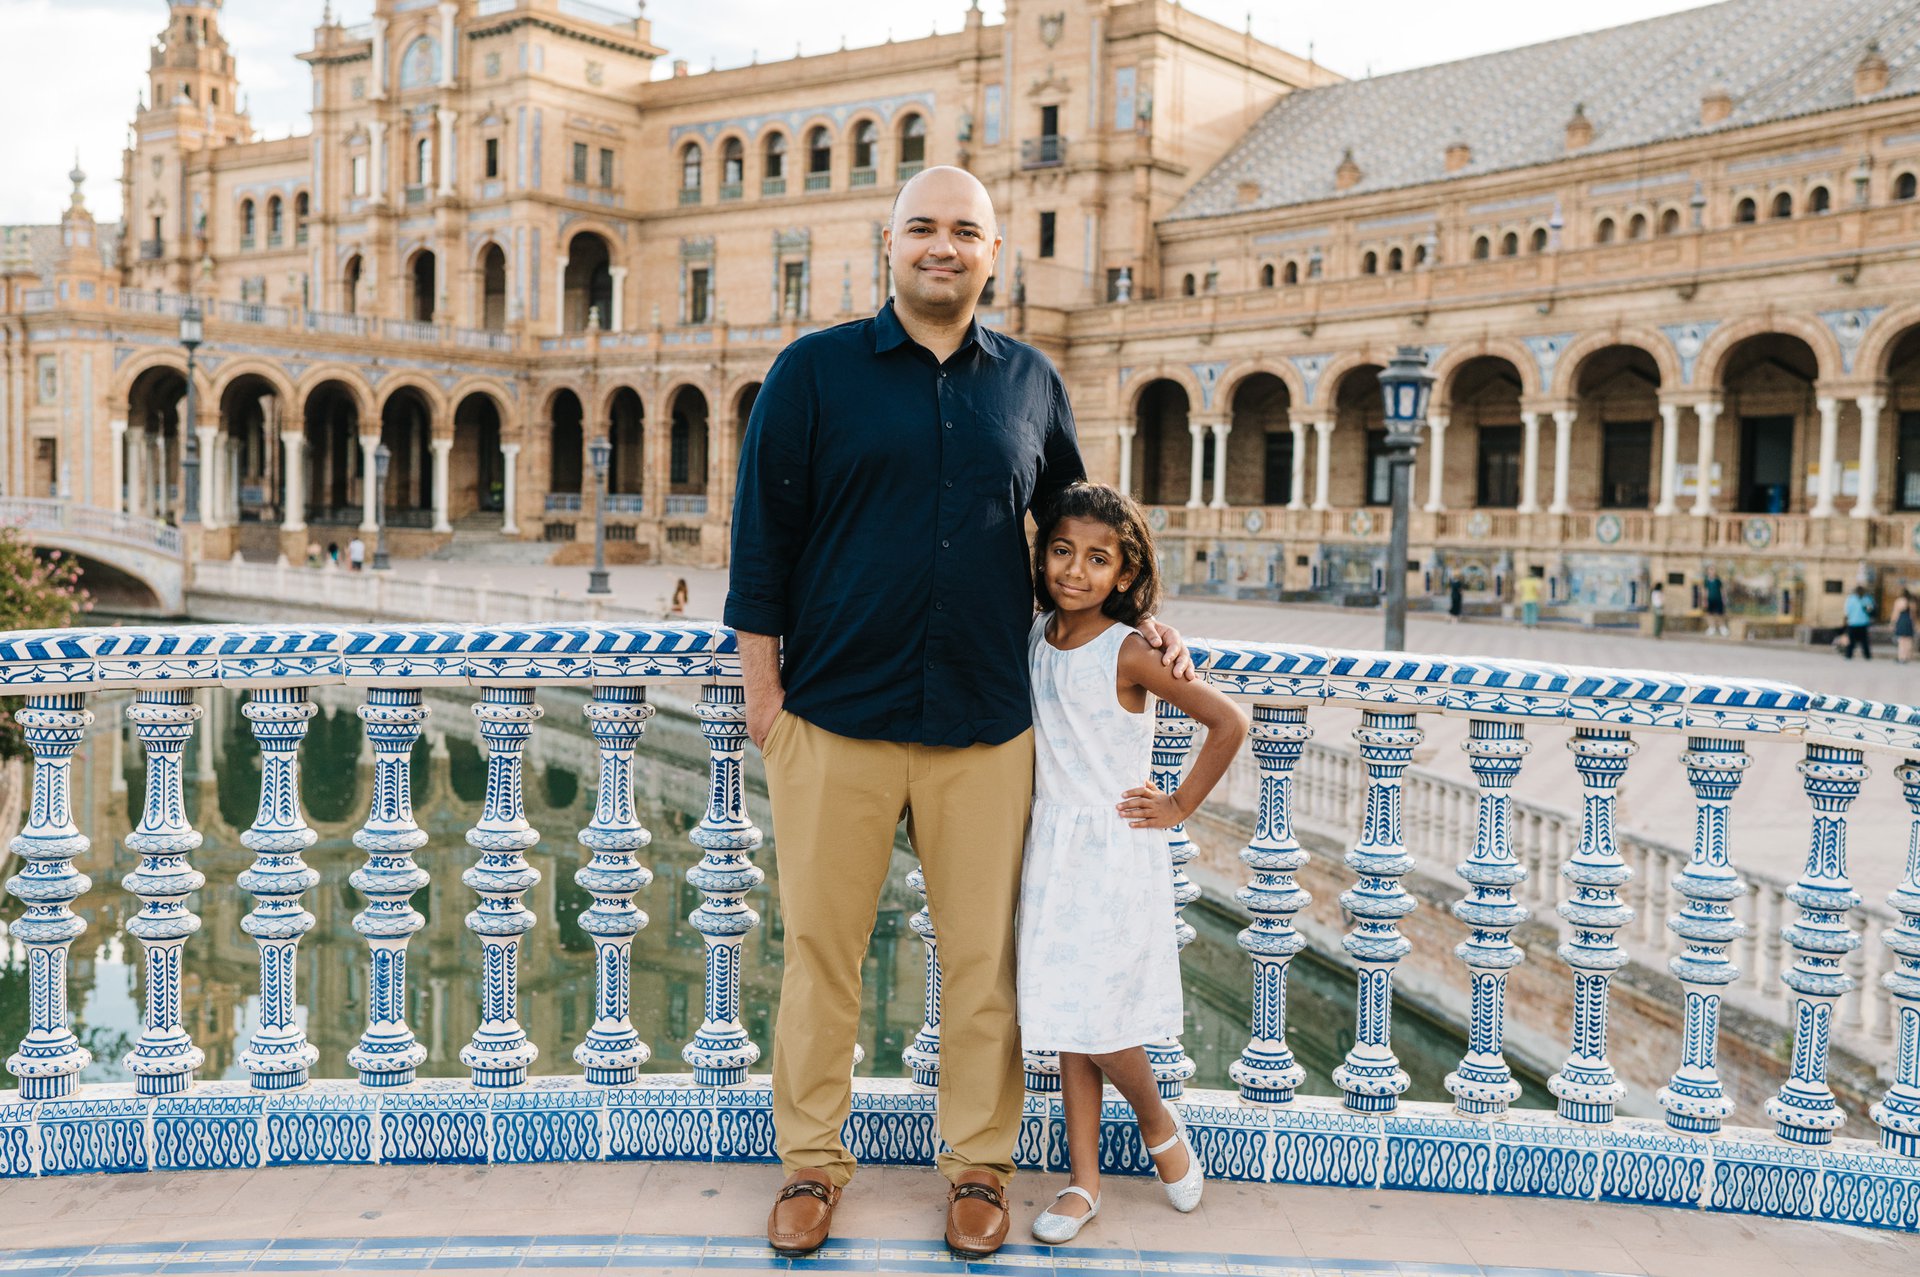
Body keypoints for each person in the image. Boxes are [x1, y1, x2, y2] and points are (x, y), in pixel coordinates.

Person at [725, 165, 1192, 1261]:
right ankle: (811, 1164)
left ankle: (979, 1164)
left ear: (992, 255)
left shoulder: (1029, 381)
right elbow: (762, 535)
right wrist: (764, 697)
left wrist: (1145, 618)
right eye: (923, 227)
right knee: (820, 956)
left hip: (985, 725)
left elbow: (1083, 531)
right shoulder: (813, 372)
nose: (944, 246)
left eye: (965, 232)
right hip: (833, 716)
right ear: (888, 244)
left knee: (984, 962)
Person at [1019, 483, 1248, 1245]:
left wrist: (1179, 803)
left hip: (1111, 848)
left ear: (1125, 573)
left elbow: (1227, 721)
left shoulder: (1129, 649)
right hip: (1050, 844)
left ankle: (1156, 1122)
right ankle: (1082, 1182)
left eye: (1097, 559)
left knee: (1101, 1017)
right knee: (1068, 1017)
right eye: (1062, 551)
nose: (1074, 570)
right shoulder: (1036, 631)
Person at [1844, 584, 1874, 660]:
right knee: (1864, 641)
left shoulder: (1851, 599)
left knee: (1851, 640)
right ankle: (1867, 655)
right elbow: (1870, 610)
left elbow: (1847, 611)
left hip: (1852, 622)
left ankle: (1849, 655)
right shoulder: (1867, 599)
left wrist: (1846, 620)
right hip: (1863, 622)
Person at [1704, 570, 1728, 637]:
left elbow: (1722, 590)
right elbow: (1706, 591)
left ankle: (1722, 628)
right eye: (1710, 571)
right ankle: (1712, 628)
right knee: (1710, 614)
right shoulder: (1707, 581)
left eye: (1712, 571)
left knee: (1720, 614)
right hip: (1710, 600)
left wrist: (1724, 599)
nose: (1711, 572)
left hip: (1718, 600)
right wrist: (1705, 600)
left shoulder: (1718, 581)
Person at [1893, 593, 1915, 665]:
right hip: (1909, 621)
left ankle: (1901, 657)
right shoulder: (1912, 602)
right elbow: (1913, 614)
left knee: (1901, 640)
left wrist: (1893, 622)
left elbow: (1896, 612)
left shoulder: (1899, 601)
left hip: (1901, 620)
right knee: (1908, 640)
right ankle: (1907, 656)